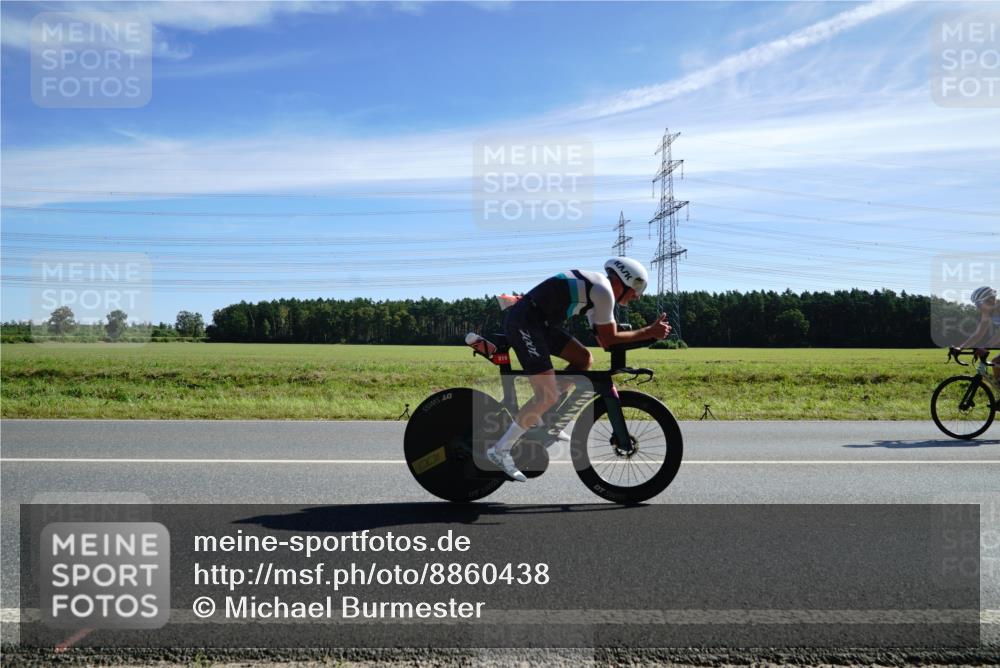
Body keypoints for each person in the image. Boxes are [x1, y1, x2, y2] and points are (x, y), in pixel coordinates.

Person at [487, 257, 671, 481]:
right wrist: (649, 332)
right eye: (637, 288)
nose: (638, 295)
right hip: (526, 322)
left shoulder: (599, 293)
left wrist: (647, 335)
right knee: (547, 394)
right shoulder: (603, 291)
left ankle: (546, 415)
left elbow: (606, 342)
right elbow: (610, 338)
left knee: (583, 359)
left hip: (539, 323)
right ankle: (500, 450)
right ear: (623, 281)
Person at [951, 286, 1000, 387]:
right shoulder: (988, 312)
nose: (977, 307)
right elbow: (979, 333)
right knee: (996, 362)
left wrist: (986, 346)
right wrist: (961, 347)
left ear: (991, 300)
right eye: (976, 304)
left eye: (979, 303)